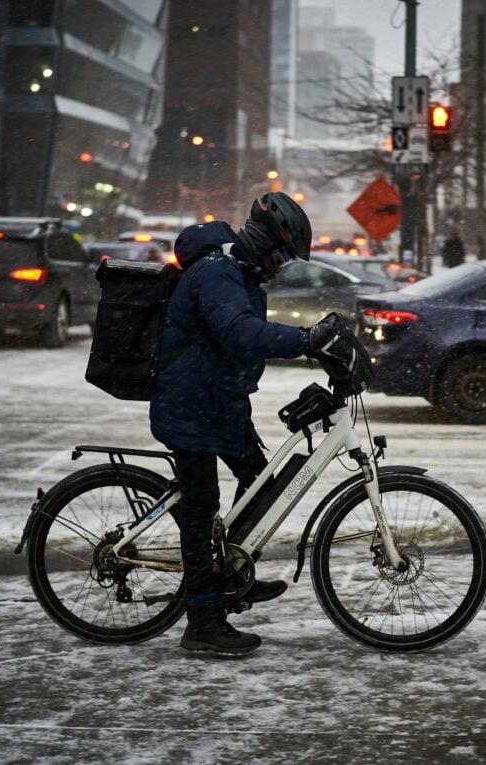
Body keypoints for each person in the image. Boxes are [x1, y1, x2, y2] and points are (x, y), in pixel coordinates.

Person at [149, 191, 315, 655]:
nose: (281, 267)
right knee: (201, 514)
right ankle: (202, 620)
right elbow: (238, 331)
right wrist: (305, 339)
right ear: (264, 242)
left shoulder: (240, 273)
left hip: (219, 403)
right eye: (281, 255)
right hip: (191, 406)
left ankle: (231, 575)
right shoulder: (219, 272)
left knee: (260, 485)